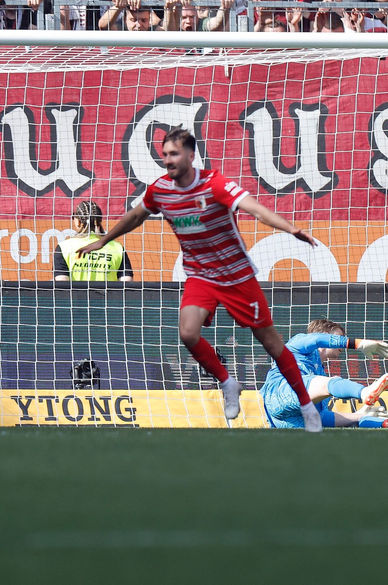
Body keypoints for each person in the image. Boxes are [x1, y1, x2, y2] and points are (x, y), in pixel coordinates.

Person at [75, 128, 323, 432]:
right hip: (200, 275)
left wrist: (291, 228)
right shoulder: (160, 190)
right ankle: (228, 382)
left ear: (191, 156)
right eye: (164, 154)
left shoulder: (213, 184)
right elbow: (136, 216)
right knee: (188, 332)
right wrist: (105, 239)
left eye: (174, 154)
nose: (168, 160)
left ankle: (306, 404)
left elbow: (255, 210)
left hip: (236, 275)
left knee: (271, 344)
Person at [261, 319, 388, 429]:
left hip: (287, 422)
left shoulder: (319, 372)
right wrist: (358, 343)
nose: (341, 342)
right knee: (329, 382)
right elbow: (316, 340)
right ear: (325, 335)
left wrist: (358, 416)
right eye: (340, 337)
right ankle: (364, 392)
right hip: (278, 391)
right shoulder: (297, 344)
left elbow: (322, 418)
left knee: (328, 396)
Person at [54, 201, 134, 282]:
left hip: (76, 295)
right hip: (109, 295)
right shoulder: (117, 248)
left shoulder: (64, 247)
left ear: (78, 222)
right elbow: (126, 283)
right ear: (100, 221)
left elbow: (62, 285)